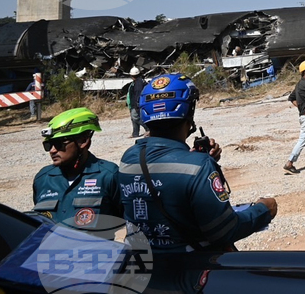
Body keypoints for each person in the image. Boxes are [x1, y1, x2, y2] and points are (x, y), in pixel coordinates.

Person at [118, 73, 277, 252]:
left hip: (143, 266)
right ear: (189, 111)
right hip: (190, 270)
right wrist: (264, 210)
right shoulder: (199, 167)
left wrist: (195, 158)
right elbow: (225, 230)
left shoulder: (128, 158)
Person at [32, 108, 122, 229]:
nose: (52, 150)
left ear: (83, 141)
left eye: (59, 144)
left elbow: (126, 219)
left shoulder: (108, 175)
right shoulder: (43, 179)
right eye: (48, 145)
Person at [126, 67, 146, 138]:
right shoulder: (136, 82)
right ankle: (135, 133)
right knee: (133, 118)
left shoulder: (138, 83)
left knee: (135, 117)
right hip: (132, 104)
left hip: (136, 104)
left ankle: (148, 129)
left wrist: (137, 104)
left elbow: (138, 94)